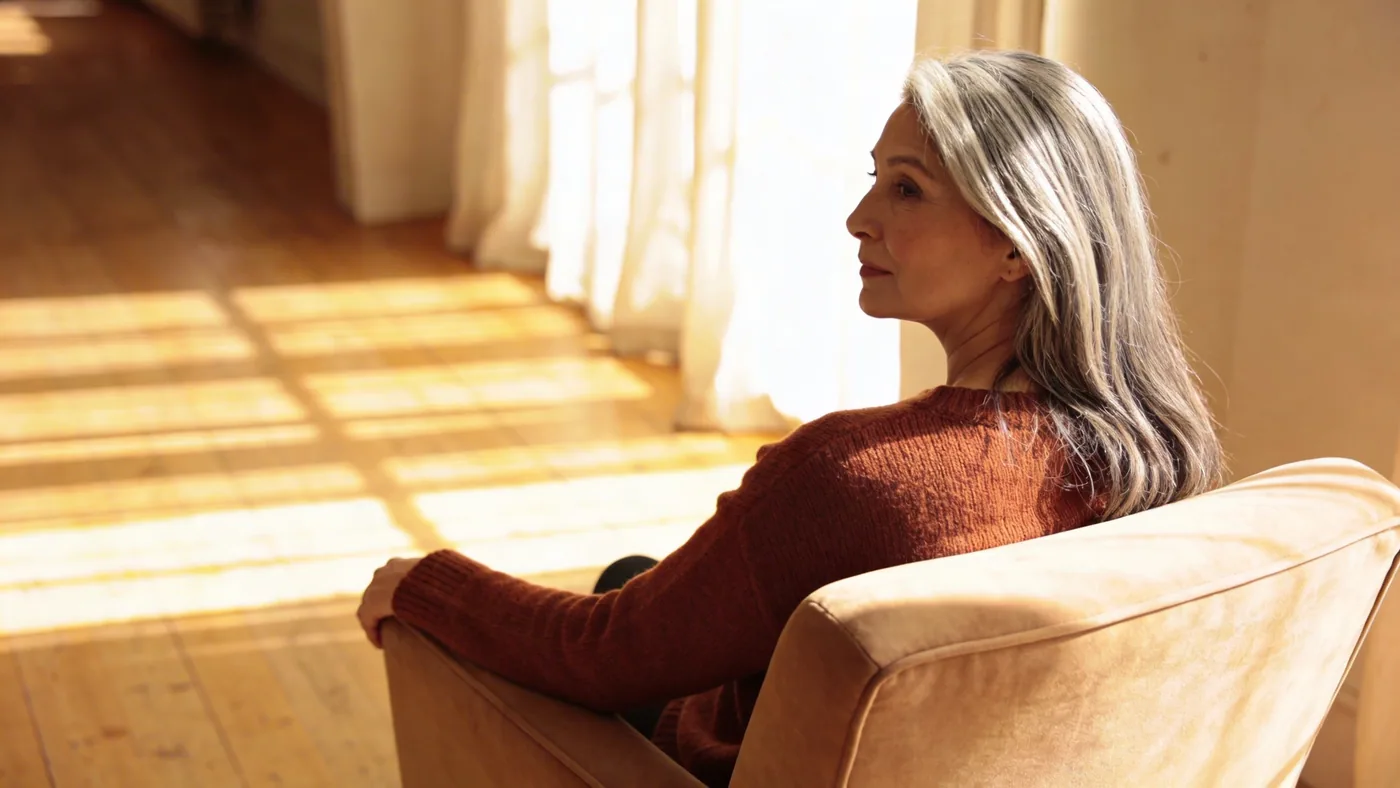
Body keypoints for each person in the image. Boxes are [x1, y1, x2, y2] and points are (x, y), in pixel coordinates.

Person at [357, 50, 1223, 788]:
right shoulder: (1157, 452)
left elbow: (598, 656)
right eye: (874, 179)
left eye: (907, 189)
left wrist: (425, 582)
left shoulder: (851, 475)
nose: (859, 218)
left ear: (1016, 244)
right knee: (631, 570)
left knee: (598, 608)